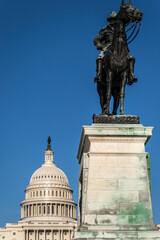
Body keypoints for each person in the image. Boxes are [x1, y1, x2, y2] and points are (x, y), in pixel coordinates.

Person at [94, 11, 137, 85]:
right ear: (110, 20)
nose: (114, 21)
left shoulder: (121, 30)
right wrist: (101, 46)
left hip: (121, 48)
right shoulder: (105, 29)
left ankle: (131, 76)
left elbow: (124, 41)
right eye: (112, 20)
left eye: (115, 19)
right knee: (99, 57)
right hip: (108, 47)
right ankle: (99, 74)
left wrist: (126, 50)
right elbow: (96, 40)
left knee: (131, 58)